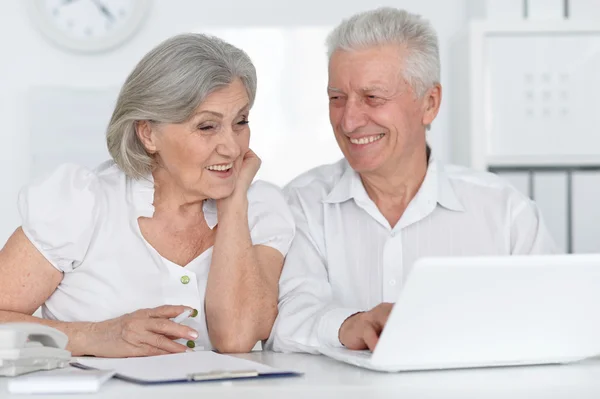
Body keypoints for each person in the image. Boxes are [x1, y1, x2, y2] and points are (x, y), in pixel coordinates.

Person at [266, 7, 557, 354]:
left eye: (372, 98)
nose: (349, 121)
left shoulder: (505, 212)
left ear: (430, 103)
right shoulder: (300, 205)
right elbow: (284, 322)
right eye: (337, 99)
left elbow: (554, 320)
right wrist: (350, 325)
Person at [0, 33, 294, 357]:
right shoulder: (83, 204)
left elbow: (237, 338)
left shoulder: (262, 208)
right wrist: (93, 336)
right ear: (148, 134)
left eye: (241, 121)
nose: (233, 146)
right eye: (207, 127)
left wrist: (235, 203)